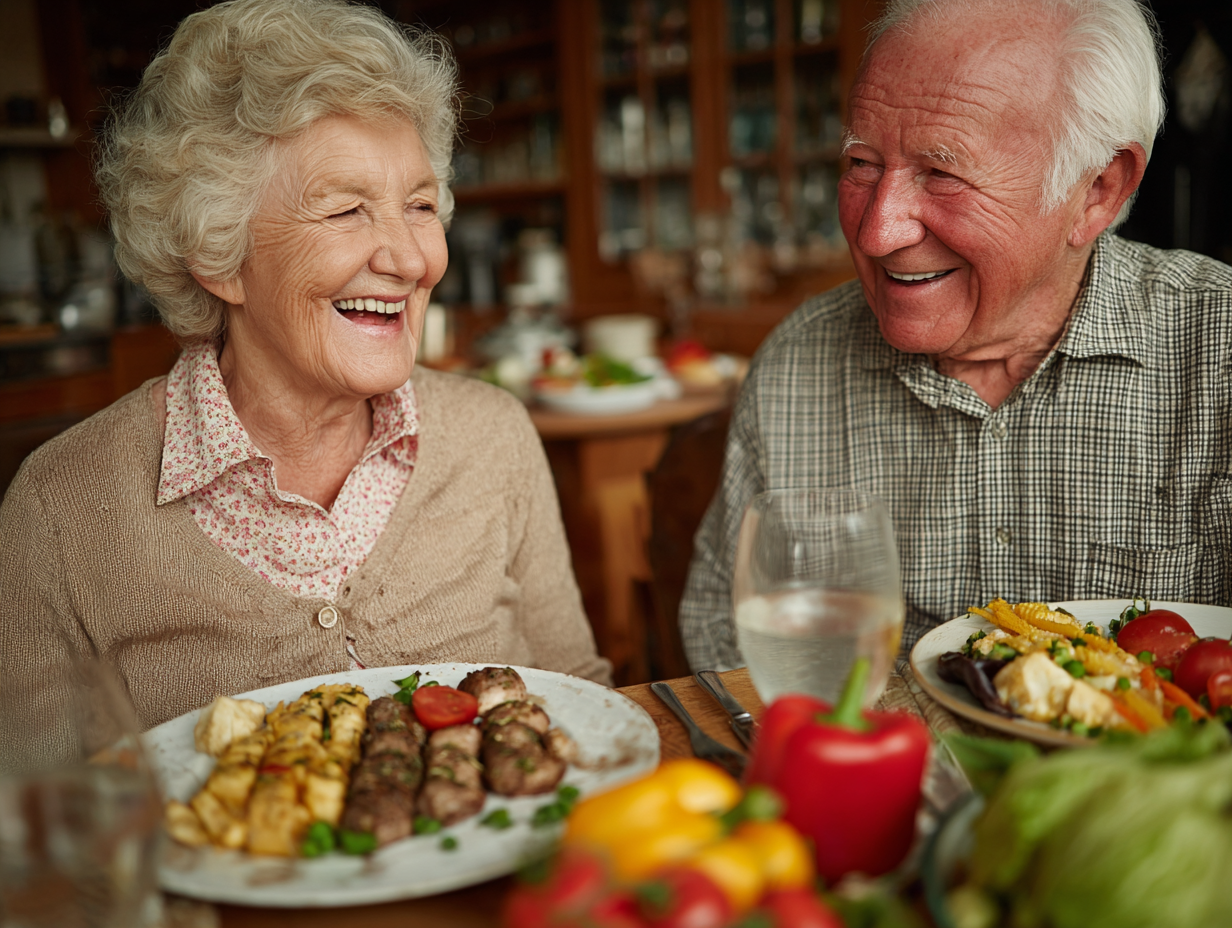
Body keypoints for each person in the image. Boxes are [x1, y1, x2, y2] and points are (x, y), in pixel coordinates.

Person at [0, 0, 609, 759]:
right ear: (218, 255)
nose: (412, 258)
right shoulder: (61, 514)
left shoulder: (494, 437)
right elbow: (39, 835)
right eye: (348, 210)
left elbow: (583, 709)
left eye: (420, 205)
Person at [680, 0, 1232, 672]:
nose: (877, 232)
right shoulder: (799, 363)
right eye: (860, 163)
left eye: (942, 174)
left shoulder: (1217, 350)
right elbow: (722, 651)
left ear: (1099, 190)